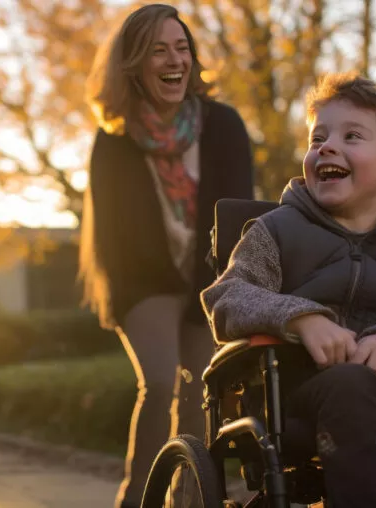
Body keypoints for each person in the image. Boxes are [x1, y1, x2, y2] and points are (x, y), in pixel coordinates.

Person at [201, 72, 376, 507]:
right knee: (351, 385)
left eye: (352, 136)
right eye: (318, 138)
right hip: (291, 399)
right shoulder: (275, 231)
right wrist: (300, 318)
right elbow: (227, 295)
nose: (326, 146)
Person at [78, 4, 254, 507]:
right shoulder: (112, 141)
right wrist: (152, 289)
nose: (174, 59)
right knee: (159, 381)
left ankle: (189, 500)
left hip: (209, 276)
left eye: (182, 47)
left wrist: (219, 282)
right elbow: (113, 239)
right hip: (143, 281)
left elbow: (239, 212)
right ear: (134, 64)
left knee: (203, 389)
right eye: (158, 50)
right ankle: (136, 499)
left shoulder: (224, 125)